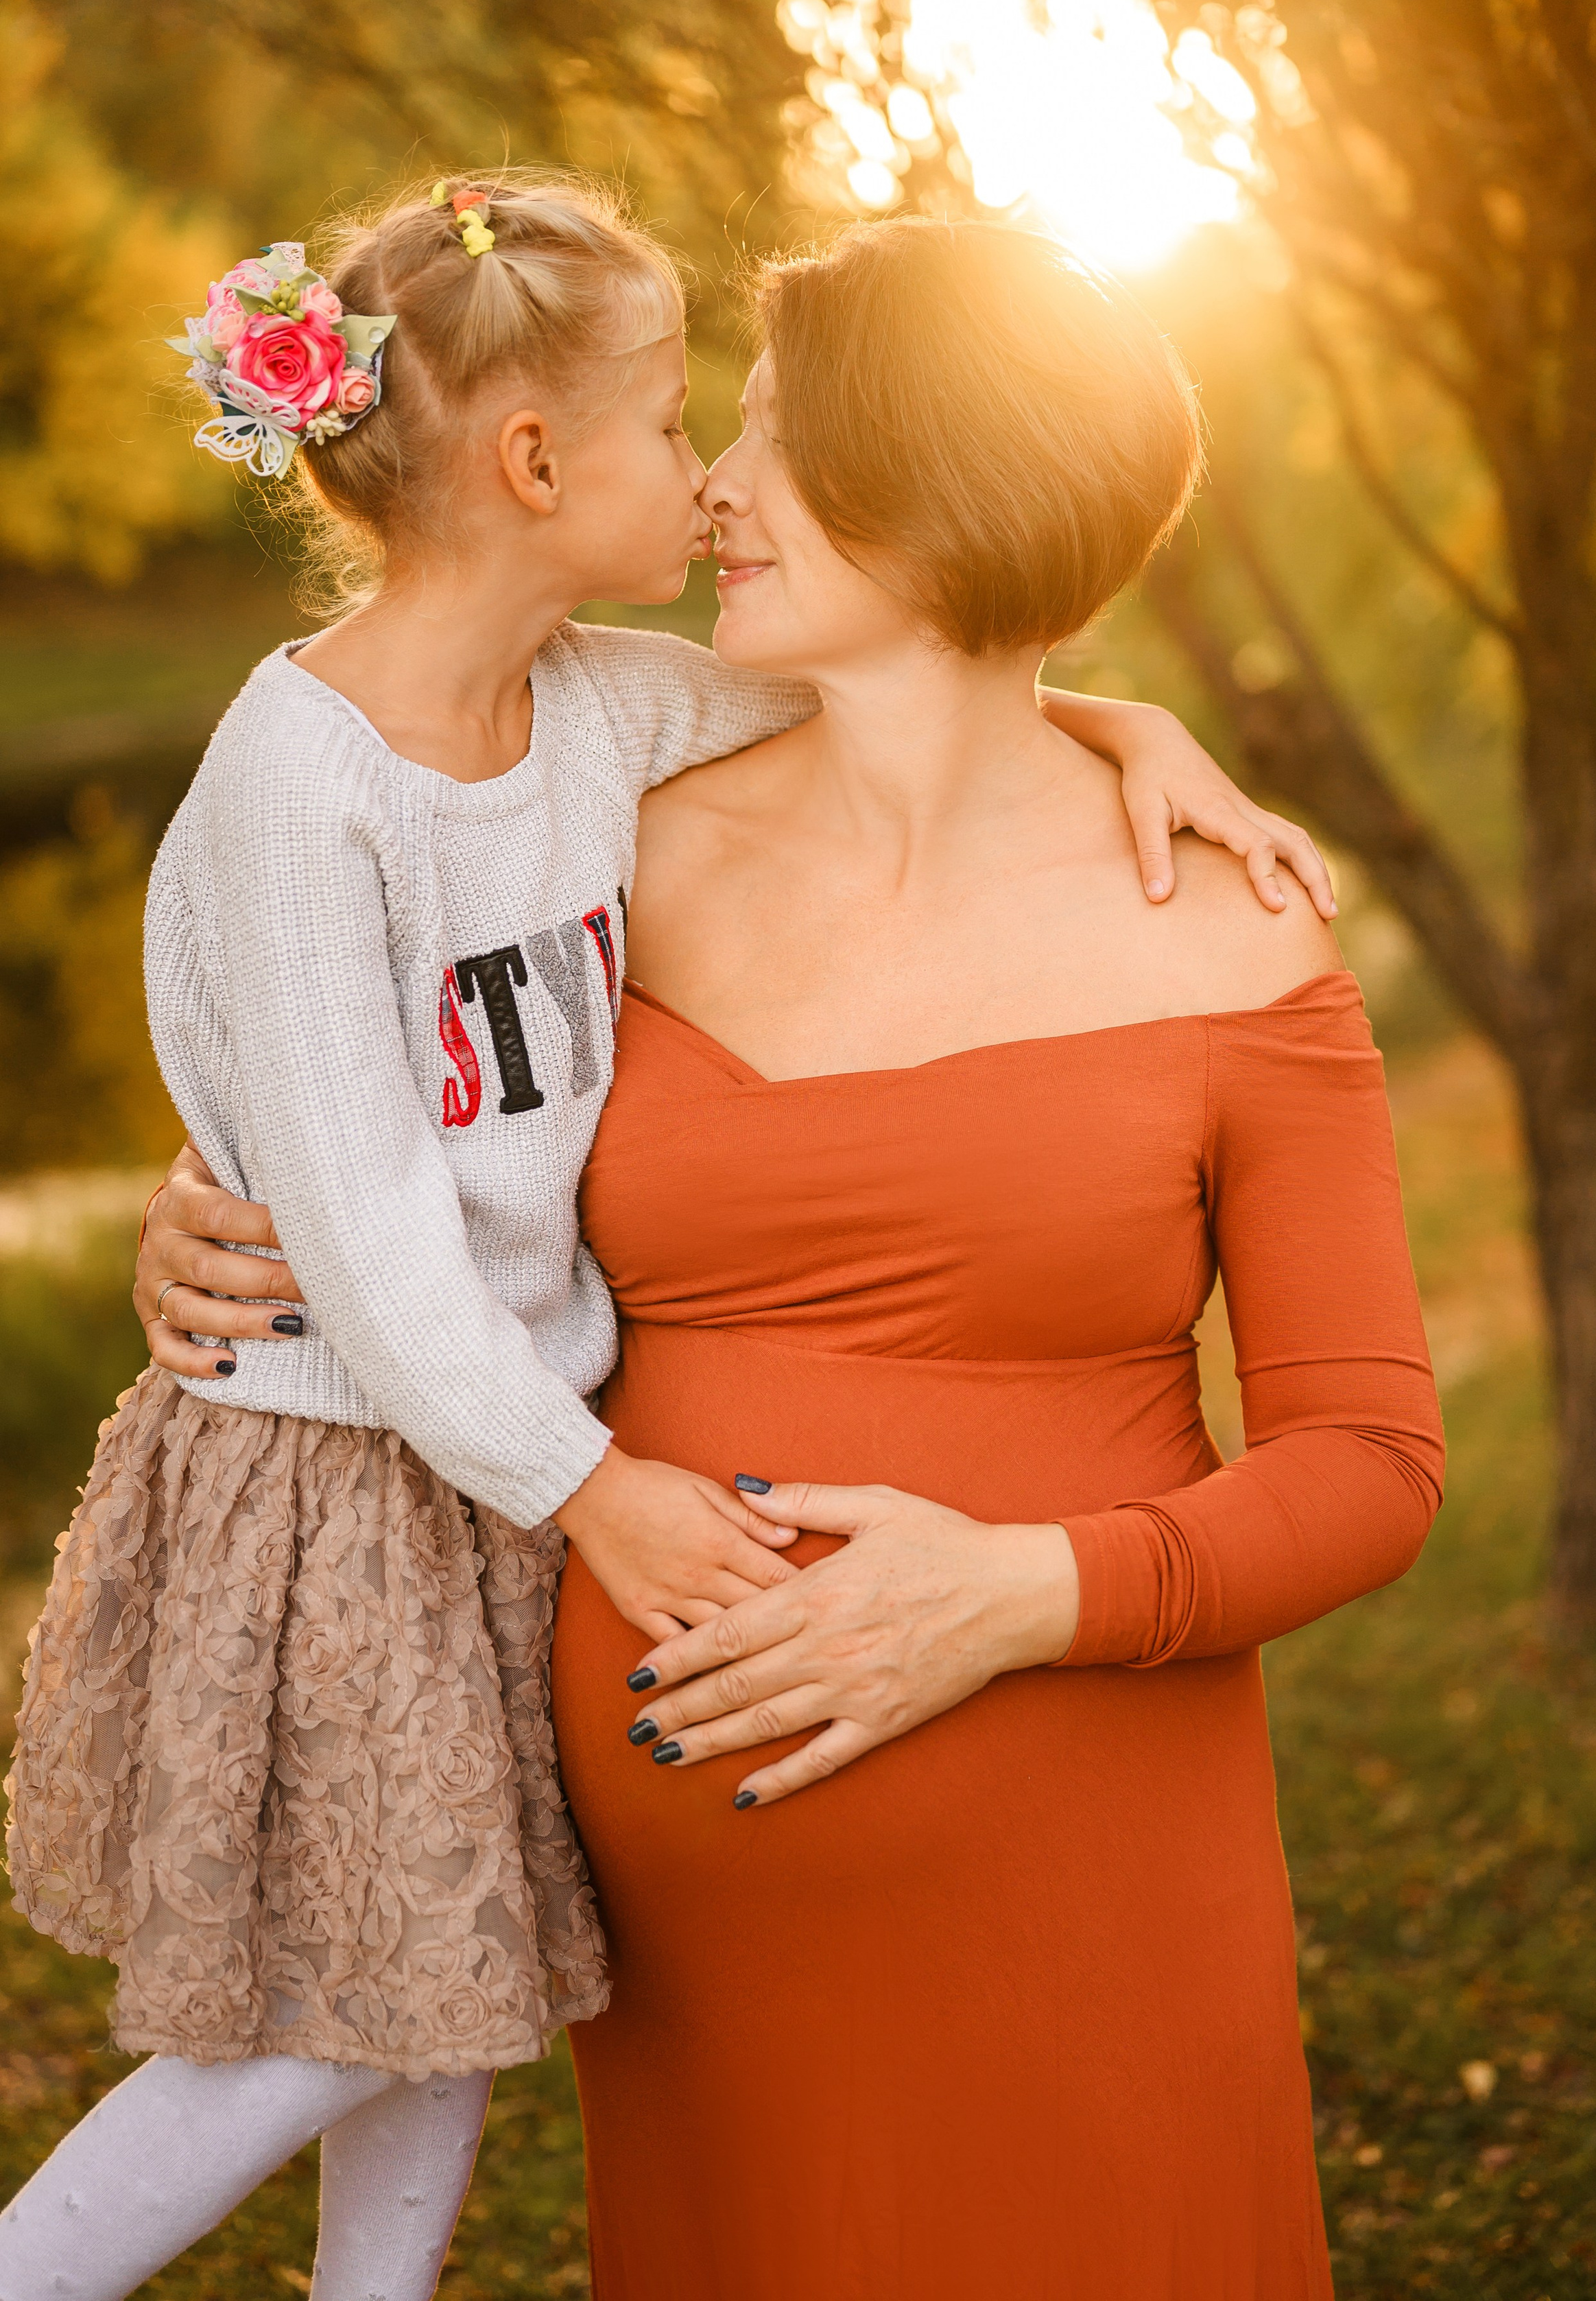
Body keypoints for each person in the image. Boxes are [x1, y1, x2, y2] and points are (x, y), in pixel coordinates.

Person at [5, 180, 1320, 2301]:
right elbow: (359, 1225)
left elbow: (926, 685)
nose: (711, 472)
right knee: (333, 2014)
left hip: (486, 1480)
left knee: (430, 2001)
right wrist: (598, 1489)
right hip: (348, 1474)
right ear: (535, 464)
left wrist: (1131, 721)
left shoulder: (593, 710)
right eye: (682, 417)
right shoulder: (300, 781)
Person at [542, 220, 1446, 2300]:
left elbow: (1372, 1462)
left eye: (773, 439)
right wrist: (217, 1218)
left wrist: (1011, 1595)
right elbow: (370, 1104)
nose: (711, 488)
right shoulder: (614, 858)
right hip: (703, 1949)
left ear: (939, 494)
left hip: (1087, 1879)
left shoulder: (1226, 928)